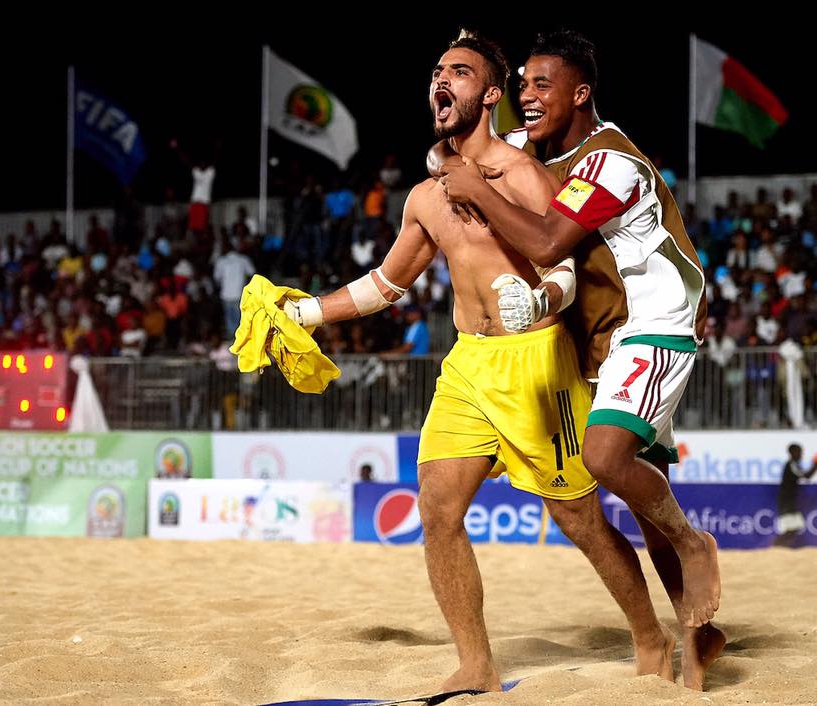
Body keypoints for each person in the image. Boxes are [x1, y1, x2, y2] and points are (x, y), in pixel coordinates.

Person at [279, 31, 674, 692]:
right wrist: (307, 314)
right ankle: (476, 663)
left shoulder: (524, 174)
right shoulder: (424, 197)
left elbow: (563, 266)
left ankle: (649, 637)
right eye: (437, 71)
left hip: (537, 364)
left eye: (460, 72)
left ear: (491, 95)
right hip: (468, 364)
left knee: (577, 519)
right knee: (438, 508)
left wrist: (543, 298)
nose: (442, 80)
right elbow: (386, 284)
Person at [434, 29, 723, 689]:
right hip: (604, 340)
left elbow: (546, 242)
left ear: (581, 93)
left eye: (543, 85)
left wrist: (476, 189)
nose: (529, 96)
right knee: (642, 502)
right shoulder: (533, 149)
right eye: (523, 85)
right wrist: (455, 132)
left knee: (605, 459)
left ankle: (694, 543)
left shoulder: (608, 161)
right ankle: (698, 640)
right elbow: (454, 151)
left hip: (653, 326)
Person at [776, 444, 816, 542]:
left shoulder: (794, 465)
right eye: (799, 452)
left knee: (795, 528)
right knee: (790, 529)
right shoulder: (791, 465)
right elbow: (806, 476)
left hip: (789, 501)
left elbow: (806, 476)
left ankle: (778, 548)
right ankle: (775, 547)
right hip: (786, 502)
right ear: (792, 453)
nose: (801, 455)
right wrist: (815, 464)